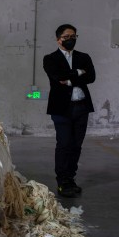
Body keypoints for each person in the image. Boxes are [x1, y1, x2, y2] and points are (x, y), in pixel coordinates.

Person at [43, 24, 96, 197]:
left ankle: (71, 178)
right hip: (61, 109)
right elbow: (58, 77)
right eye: (67, 36)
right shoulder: (50, 59)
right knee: (64, 144)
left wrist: (70, 78)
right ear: (58, 39)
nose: (71, 39)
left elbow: (92, 77)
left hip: (81, 107)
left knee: (76, 145)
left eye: (73, 36)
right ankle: (62, 181)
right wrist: (79, 73)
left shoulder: (84, 57)